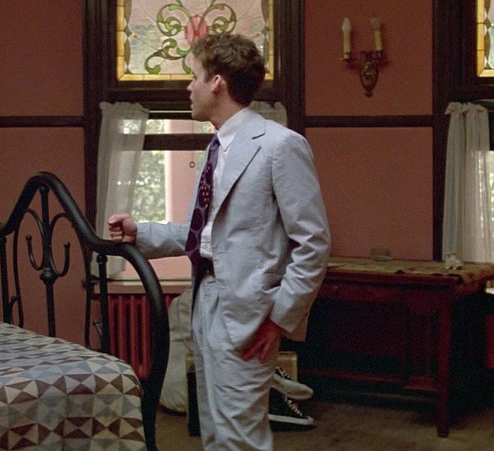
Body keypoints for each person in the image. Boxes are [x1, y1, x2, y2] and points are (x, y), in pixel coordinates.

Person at [108, 32, 330, 450]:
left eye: (193, 76)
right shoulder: (216, 148)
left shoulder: (280, 146)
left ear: (217, 83)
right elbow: (203, 235)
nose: (187, 87)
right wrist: (141, 233)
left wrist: (279, 319)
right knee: (213, 433)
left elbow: (313, 244)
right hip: (205, 301)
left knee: (239, 439)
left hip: (249, 313)